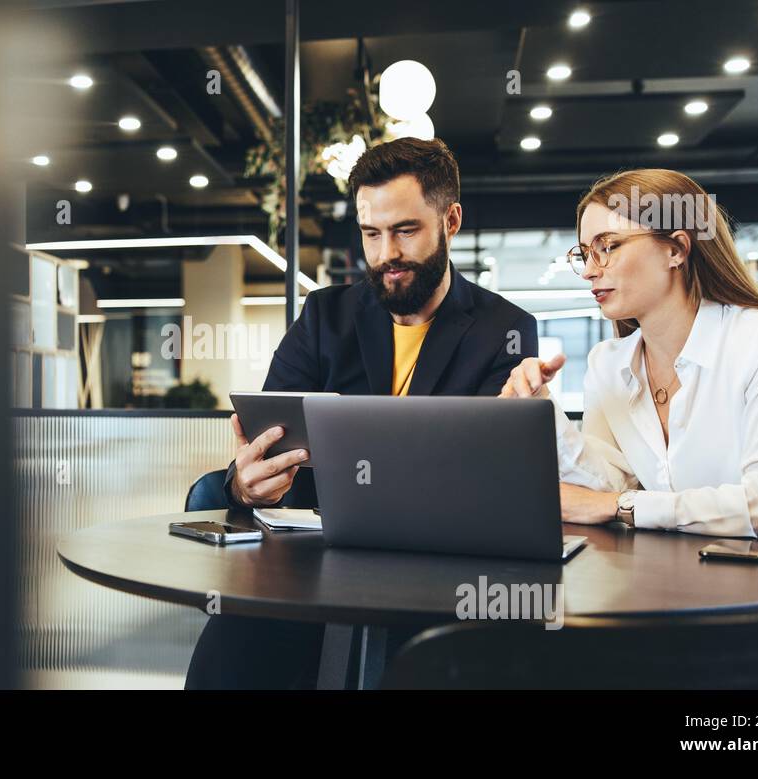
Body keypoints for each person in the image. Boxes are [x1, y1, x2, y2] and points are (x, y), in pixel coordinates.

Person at [185, 137, 538, 689]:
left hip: (433, 575)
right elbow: (268, 439)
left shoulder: (504, 331)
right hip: (311, 563)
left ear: (451, 220)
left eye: (405, 231)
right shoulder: (326, 316)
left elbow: (483, 485)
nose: (385, 254)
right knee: (235, 639)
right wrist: (245, 483)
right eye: (371, 234)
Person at [498, 168, 758, 564]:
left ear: (676, 249)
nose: (591, 270)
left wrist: (622, 507)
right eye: (584, 253)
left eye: (607, 246)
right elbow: (610, 485)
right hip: (680, 574)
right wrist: (543, 411)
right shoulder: (608, 363)